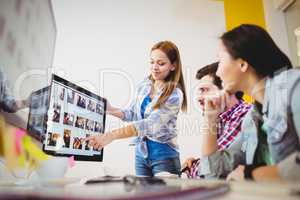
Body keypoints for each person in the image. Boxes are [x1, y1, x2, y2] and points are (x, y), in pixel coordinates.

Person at [85, 41, 187, 177]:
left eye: (161, 63)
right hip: (141, 156)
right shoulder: (145, 84)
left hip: (164, 157)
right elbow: (132, 113)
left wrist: (111, 135)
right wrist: (110, 109)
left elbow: (150, 125)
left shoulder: (175, 94)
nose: (154, 67)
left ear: (173, 66)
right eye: (152, 62)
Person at [212, 24, 300, 181]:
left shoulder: (294, 86)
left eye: (220, 61)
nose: (217, 72)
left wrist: (252, 174)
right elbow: (215, 171)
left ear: (242, 64)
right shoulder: (252, 120)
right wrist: (209, 118)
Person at [181, 62, 251, 179]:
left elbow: (209, 173)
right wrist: (197, 163)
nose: (199, 97)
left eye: (205, 90)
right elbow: (210, 163)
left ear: (226, 89)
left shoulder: (242, 114)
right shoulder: (221, 119)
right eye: (200, 91)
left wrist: (192, 167)